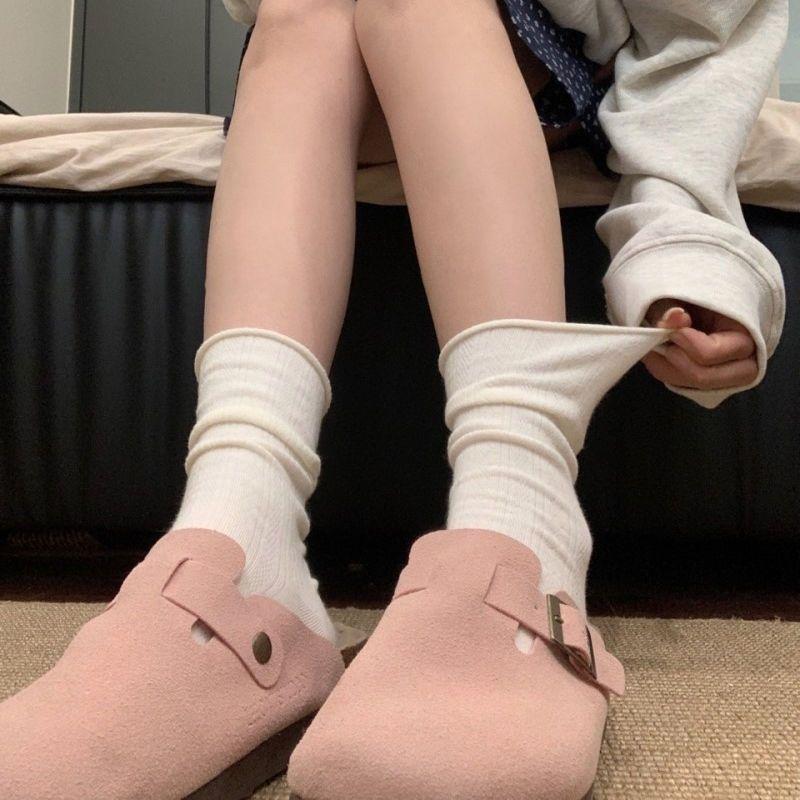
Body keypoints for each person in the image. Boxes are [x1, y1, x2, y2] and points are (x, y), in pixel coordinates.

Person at [0, 1, 787, 798]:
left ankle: (521, 513)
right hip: (320, 48)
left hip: (547, 63)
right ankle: (237, 542)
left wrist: (684, 245)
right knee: (301, 7)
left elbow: (701, 43)